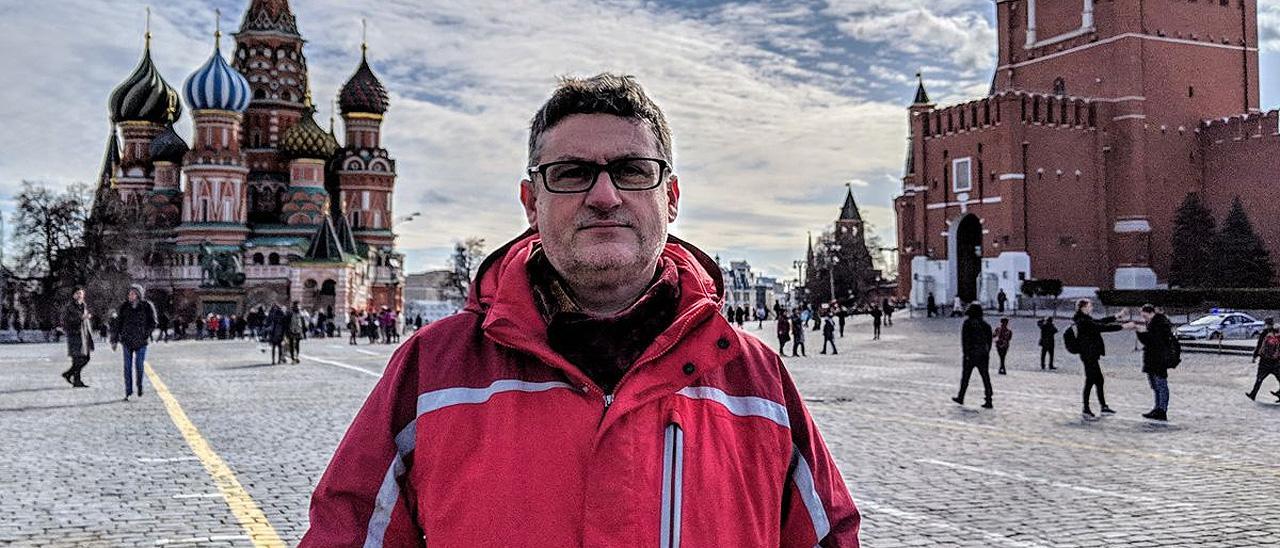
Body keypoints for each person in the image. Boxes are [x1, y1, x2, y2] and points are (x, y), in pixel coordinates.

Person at [301, 74, 859, 546]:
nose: (604, 196)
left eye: (633, 170)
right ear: (531, 203)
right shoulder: (433, 372)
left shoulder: (754, 381)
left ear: (671, 198)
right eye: (570, 174)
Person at [1072, 299, 1131, 418]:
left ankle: (1103, 406)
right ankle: (1086, 408)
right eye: (1090, 306)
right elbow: (1101, 327)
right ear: (1083, 307)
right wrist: (1122, 326)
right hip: (1088, 355)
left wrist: (1116, 316)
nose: (1091, 307)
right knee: (1090, 381)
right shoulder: (1082, 320)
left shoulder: (1085, 318)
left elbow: (1101, 321)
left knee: (1098, 380)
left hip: (1091, 354)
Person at [110, 285, 156, 401]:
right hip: (127, 340)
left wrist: (146, 333)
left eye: (133, 293)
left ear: (138, 295)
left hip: (141, 341)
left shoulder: (147, 306)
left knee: (139, 366)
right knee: (127, 367)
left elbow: (153, 322)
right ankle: (128, 391)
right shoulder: (124, 307)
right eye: (129, 293)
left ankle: (139, 385)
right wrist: (114, 340)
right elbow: (118, 324)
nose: (130, 296)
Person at [1132, 304, 1174, 420]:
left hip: (1158, 359)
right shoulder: (1153, 323)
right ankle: (1157, 408)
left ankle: (1162, 410)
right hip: (1152, 358)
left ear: (1149, 313)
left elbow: (1153, 341)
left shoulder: (1159, 324)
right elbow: (1148, 341)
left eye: (1144, 315)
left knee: (1161, 384)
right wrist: (1141, 332)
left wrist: (1141, 332)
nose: (1144, 318)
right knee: (1156, 385)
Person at [953, 303, 994, 409]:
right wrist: (987, 352)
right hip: (983, 355)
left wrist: (966, 353)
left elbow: (965, 340)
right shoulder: (986, 325)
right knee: (985, 377)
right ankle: (989, 399)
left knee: (965, 377)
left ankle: (961, 396)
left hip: (970, 355)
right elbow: (989, 341)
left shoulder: (967, 323)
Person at [60, 288, 94, 388]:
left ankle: (69, 374)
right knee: (77, 359)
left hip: (84, 336)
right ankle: (76, 380)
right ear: (73, 295)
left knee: (86, 358)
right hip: (74, 335)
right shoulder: (70, 307)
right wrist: (81, 318)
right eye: (77, 293)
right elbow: (66, 320)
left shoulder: (83, 305)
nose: (79, 295)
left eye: (81, 293)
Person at [1247, 317, 1280, 402]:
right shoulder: (1277, 332)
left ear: (1266, 323)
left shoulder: (1264, 333)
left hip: (1264, 361)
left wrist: (1255, 356)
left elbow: (1259, 345)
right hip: (1276, 361)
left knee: (1259, 378)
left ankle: (1253, 394)